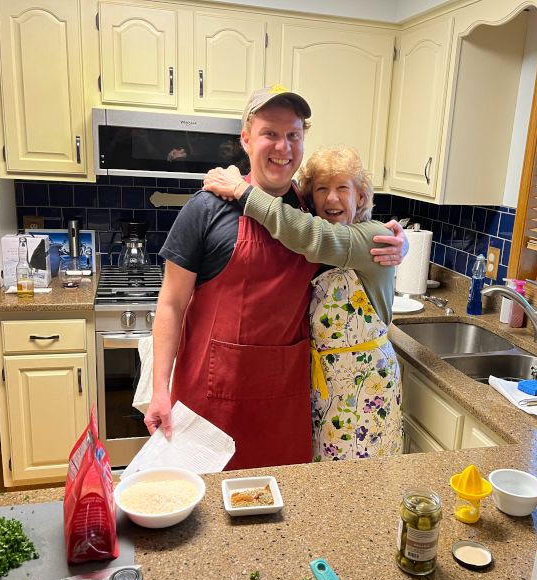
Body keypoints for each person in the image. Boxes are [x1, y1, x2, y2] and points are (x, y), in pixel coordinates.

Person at [144, 85, 407, 470]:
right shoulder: (205, 208)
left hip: (285, 403)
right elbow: (170, 303)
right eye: (270, 134)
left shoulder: (312, 215)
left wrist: (402, 246)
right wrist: (159, 390)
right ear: (247, 139)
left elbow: (340, 238)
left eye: (293, 135)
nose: (283, 147)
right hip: (212, 396)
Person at [203, 147, 402, 461]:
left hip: (366, 386)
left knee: (364, 478)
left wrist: (243, 190)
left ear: (360, 198)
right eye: (322, 188)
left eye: (342, 188)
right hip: (321, 385)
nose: (332, 199)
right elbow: (302, 231)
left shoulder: (373, 237)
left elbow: (314, 236)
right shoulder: (314, 248)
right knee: (323, 472)